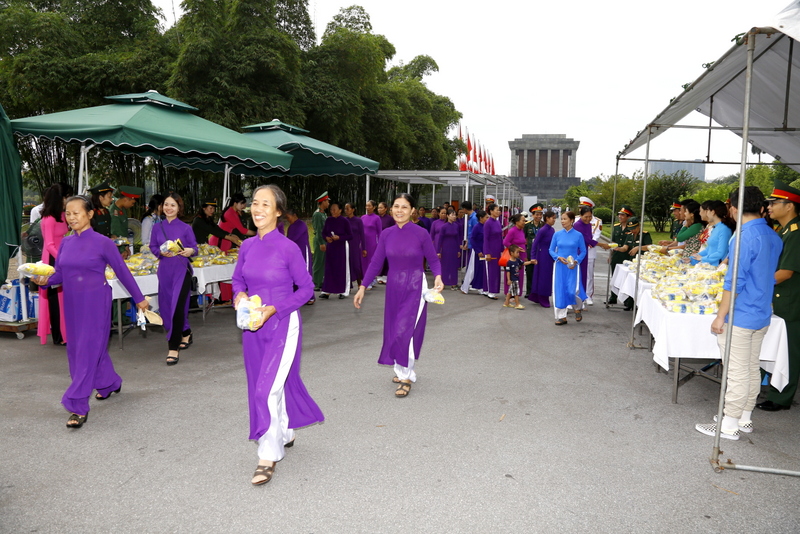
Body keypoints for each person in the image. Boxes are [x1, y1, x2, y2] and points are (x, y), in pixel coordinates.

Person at [231, 184, 324, 485]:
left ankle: (268, 453)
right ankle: (284, 431)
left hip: (282, 324)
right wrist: (239, 296)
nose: (257, 209)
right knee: (264, 383)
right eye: (254, 203)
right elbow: (237, 280)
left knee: (265, 388)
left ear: (278, 211)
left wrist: (275, 309)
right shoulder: (246, 246)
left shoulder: (288, 248)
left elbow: (307, 289)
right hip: (252, 326)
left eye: (265, 204)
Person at [33, 196, 148, 429]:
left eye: (77, 212)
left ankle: (77, 405)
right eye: (68, 213)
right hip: (73, 303)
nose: (72, 217)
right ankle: (109, 383)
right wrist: (43, 280)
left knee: (86, 351)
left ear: (90, 214)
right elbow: (61, 275)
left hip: (96, 302)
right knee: (81, 348)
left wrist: (140, 299)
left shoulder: (103, 242)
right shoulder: (65, 243)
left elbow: (122, 271)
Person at [695, 186, 782, 440]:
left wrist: (720, 315)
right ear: (762, 207)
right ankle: (743, 417)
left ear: (733, 208)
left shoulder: (743, 237)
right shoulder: (772, 235)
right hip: (761, 311)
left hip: (742, 313)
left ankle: (729, 424)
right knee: (751, 368)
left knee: (736, 370)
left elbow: (734, 282)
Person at [353, 193, 443, 398]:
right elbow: (376, 262)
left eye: (404, 207)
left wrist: (438, 277)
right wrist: (362, 287)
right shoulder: (387, 234)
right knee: (394, 329)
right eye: (396, 206)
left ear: (412, 210)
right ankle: (401, 368)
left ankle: (405, 375)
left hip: (415, 286)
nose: (399, 210)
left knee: (406, 329)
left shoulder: (421, 233)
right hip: (394, 286)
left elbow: (433, 259)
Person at [757, 180, 800, 412]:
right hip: (779, 298)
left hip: (791, 302)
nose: (770, 207)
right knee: (776, 345)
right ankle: (768, 385)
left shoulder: (796, 233)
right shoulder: (783, 231)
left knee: (790, 351)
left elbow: (785, 273)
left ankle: (781, 398)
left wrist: (756, 283)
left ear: (790, 206)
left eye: (775, 202)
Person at [149, 193, 197, 366]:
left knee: (177, 307)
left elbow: (195, 248)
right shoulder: (157, 227)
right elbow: (153, 246)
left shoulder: (185, 228)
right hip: (164, 272)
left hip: (181, 271)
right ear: (162, 207)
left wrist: (190, 251)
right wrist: (160, 252)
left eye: (173, 205)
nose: (169, 208)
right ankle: (186, 331)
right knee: (167, 308)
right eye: (166, 205)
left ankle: (173, 347)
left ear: (179, 208)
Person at [38, 182, 73, 345]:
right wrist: (63, 258)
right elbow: (49, 244)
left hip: (64, 255)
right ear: (60, 198)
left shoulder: (62, 215)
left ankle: (68, 332)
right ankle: (59, 335)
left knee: (65, 297)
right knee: (55, 297)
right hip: (54, 259)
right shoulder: (48, 218)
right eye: (67, 197)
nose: (69, 200)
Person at [549, 211, 587, 325]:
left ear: (571, 220)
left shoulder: (578, 235)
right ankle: (561, 316)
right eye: (561, 219)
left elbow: (583, 251)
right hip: (560, 266)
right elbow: (551, 250)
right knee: (560, 290)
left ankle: (577, 307)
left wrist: (576, 261)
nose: (562, 221)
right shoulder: (557, 234)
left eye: (565, 219)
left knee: (572, 290)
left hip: (573, 267)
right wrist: (558, 257)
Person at [319, 201, 353, 299]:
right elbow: (323, 232)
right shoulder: (328, 220)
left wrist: (340, 238)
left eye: (334, 209)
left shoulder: (344, 221)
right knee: (329, 268)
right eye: (331, 209)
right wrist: (327, 238)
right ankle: (327, 291)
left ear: (340, 210)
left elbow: (350, 235)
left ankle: (342, 290)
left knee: (341, 268)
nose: (332, 211)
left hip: (341, 246)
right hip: (331, 246)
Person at [618, 218, 653, 310]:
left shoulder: (645, 235)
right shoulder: (629, 235)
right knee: (631, 282)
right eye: (631, 229)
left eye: (634, 228)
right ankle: (630, 302)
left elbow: (650, 247)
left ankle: (637, 304)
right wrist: (619, 248)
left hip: (642, 262)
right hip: (632, 262)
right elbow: (625, 247)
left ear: (639, 226)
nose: (632, 231)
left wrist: (638, 248)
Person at [691, 200, 735, 266]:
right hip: (709, 265)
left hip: (717, 266)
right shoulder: (715, 227)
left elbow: (721, 253)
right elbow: (709, 249)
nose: (706, 213)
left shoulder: (724, 229)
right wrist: (692, 258)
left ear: (712, 212)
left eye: (707, 211)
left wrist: (703, 258)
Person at [606, 206, 634, 305]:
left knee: (626, 278)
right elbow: (613, 242)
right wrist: (610, 255)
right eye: (619, 214)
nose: (620, 216)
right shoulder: (616, 226)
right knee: (615, 276)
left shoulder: (631, 228)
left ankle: (627, 300)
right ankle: (613, 296)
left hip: (627, 255)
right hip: (616, 254)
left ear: (628, 217)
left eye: (623, 215)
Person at [528, 210, 557, 307]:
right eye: (553, 218)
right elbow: (535, 244)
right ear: (547, 218)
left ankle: (537, 296)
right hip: (542, 255)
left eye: (555, 218)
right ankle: (542, 297)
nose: (554, 220)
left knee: (547, 276)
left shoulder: (552, 230)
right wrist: (533, 257)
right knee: (543, 277)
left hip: (549, 255)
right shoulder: (543, 230)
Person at [111, 185, 143, 258]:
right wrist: (122, 250)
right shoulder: (114, 213)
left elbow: (124, 231)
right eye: (132, 203)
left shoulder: (122, 210)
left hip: (123, 246)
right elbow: (116, 234)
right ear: (126, 199)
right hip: (117, 249)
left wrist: (126, 246)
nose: (132, 205)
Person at [435, 208, 462, 290]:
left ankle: (454, 283)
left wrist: (458, 249)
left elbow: (458, 238)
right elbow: (440, 239)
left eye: (455, 215)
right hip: (446, 247)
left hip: (454, 246)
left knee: (454, 266)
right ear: (447, 216)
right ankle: (444, 282)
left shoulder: (456, 226)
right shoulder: (444, 227)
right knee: (445, 265)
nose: (454, 216)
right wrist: (438, 251)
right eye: (452, 215)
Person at [462, 210, 488, 294]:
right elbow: (472, 239)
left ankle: (481, 286)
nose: (488, 219)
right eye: (486, 217)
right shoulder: (477, 227)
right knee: (472, 269)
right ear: (481, 218)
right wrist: (477, 251)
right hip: (477, 251)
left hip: (484, 250)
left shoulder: (486, 226)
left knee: (482, 269)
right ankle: (465, 287)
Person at [524, 204, 545, 298]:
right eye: (537, 214)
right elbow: (523, 239)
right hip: (530, 251)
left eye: (540, 214)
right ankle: (529, 291)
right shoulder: (527, 225)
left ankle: (538, 291)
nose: (539, 216)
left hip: (541, 252)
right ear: (532, 215)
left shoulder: (544, 226)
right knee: (529, 271)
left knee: (540, 272)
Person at [503, 213, 527, 295]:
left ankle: (516, 293)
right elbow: (505, 242)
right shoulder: (512, 231)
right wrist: (515, 249)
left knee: (519, 276)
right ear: (517, 222)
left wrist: (525, 257)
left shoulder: (522, 230)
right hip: (514, 257)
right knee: (512, 275)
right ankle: (510, 294)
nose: (524, 222)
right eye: (523, 221)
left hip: (521, 257)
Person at [483, 203, 503, 300]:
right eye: (496, 210)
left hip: (497, 249)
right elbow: (485, 238)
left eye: (499, 210)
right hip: (490, 249)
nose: (498, 211)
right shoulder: (488, 223)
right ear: (491, 211)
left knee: (496, 271)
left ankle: (493, 289)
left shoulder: (497, 222)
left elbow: (500, 236)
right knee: (491, 270)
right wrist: (487, 252)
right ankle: (490, 291)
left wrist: (502, 248)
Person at [361, 200, 383, 289]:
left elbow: (380, 232)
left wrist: (380, 245)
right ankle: (366, 279)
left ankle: (369, 280)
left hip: (372, 244)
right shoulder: (362, 217)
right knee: (363, 262)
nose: (367, 208)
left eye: (369, 206)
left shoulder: (377, 218)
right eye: (366, 206)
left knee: (370, 262)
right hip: (363, 243)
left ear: (374, 207)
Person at [503, 245, 532, 310]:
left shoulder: (518, 260)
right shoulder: (509, 262)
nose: (518, 254)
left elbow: (523, 263)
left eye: (518, 252)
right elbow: (508, 272)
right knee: (516, 292)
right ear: (512, 253)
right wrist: (508, 280)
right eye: (517, 252)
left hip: (516, 278)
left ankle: (506, 303)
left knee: (510, 291)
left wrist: (530, 262)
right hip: (513, 279)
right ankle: (517, 304)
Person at [345, 203, 366, 287]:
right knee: (347, 265)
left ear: (353, 209)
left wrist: (364, 248)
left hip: (355, 245)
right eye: (345, 209)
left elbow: (362, 235)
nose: (346, 210)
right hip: (346, 245)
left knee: (356, 265)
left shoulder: (358, 220)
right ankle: (348, 285)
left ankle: (360, 284)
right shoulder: (344, 220)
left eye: (348, 208)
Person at [311, 192, 329, 290]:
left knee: (323, 262)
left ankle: (320, 281)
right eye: (327, 201)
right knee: (318, 262)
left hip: (324, 240)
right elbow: (318, 230)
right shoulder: (318, 214)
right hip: (319, 241)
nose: (328, 203)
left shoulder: (323, 213)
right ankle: (315, 282)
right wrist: (321, 243)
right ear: (323, 202)